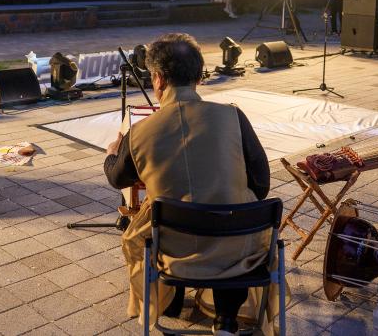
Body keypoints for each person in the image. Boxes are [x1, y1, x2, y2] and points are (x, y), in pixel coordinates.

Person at [104, 33, 274, 334]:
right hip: (238, 248)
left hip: (173, 250)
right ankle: (226, 319)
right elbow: (261, 185)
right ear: (199, 76)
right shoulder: (233, 116)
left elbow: (117, 178)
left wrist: (112, 153)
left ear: (157, 79)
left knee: (153, 224)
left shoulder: (140, 132)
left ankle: (167, 302)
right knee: (228, 218)